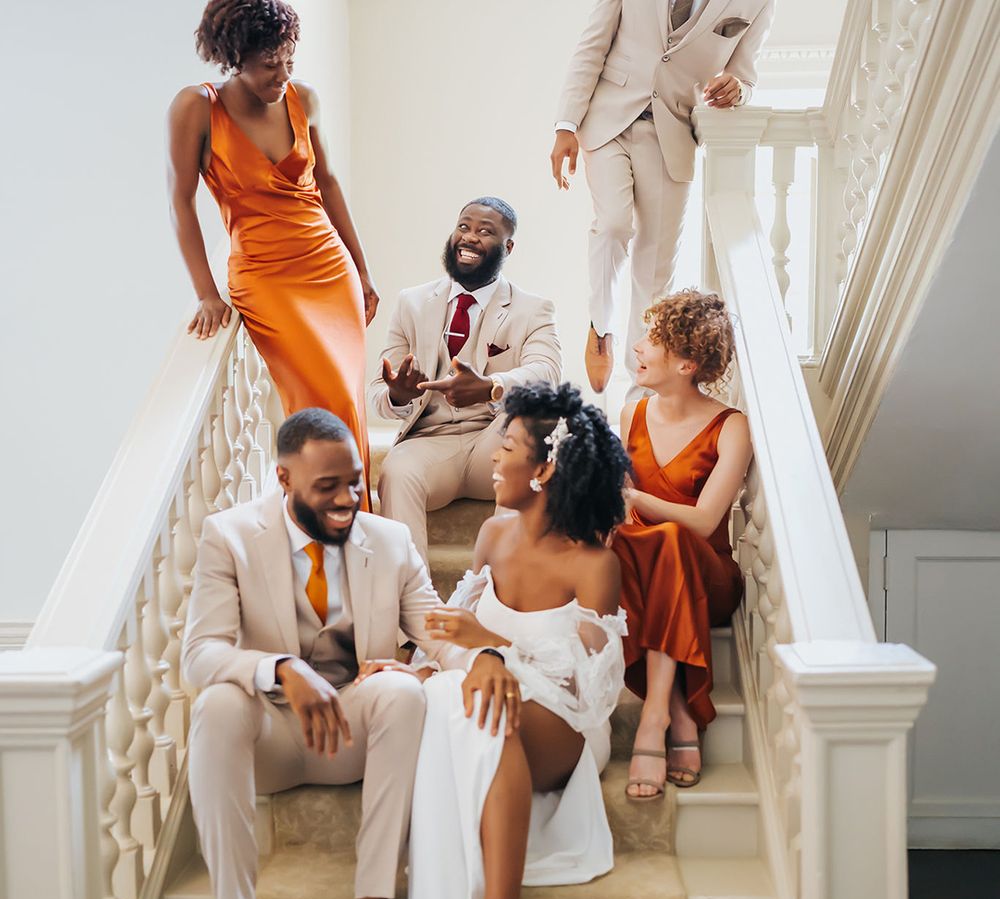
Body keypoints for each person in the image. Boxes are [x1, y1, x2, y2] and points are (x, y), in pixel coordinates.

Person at [182, 409, 455, 899]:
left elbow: (438, 629)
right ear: (283, 479)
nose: (347, 499)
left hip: (353, 731)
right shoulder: (228, 536)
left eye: (354, 481)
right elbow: (200, 654)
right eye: (326, 487)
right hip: (272, 736)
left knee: (405, 691)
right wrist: (280, 668)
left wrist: (431, 664)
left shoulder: (390, 541)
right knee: (217, 707)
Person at [371, 383, 629, 899]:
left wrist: (491, 645)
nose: (490, 455)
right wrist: (415, 669)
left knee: (470, 707)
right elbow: (451, 638)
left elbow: (593, 691)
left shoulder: (592, 564)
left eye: (505, 443)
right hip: (490, 710)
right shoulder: (491, 535)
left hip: (564, 727)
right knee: (447, 702)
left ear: (544, 469)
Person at [168, 0, 377, 506]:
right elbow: (180, 201)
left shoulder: (304, 98)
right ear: (234, 57)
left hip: (329, 267)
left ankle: (358, 521)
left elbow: (326, 183)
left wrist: (363, 270)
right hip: (265, 277)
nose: (282, 75)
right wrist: (206, 293)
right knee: (316, 398)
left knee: (346, 399)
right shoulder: (198, 107)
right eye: (269, 65)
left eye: (289, 60)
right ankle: (328, 522)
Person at [550, 0, 774, 396]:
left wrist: (738, 90)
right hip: (607, 119)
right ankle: (600, 327)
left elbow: (745, 75)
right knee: (614, 224)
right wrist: (566, 124)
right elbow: (592, 46)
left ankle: (642, 388)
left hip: (673, 133)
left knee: (655, 269)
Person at [611, 291, 752, 798]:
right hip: (645, 578)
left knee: (668, 537)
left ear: (687, 363)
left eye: (653, 340)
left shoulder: (731, 425)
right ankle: (677, 710)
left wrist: (633, 494)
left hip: (707, 577)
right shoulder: (631, 414)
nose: (637, 347)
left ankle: (653, 720)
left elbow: (704, 520)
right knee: (625, 545)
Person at [367, 198, 561, 563]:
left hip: (494, 443)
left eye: (485, 231)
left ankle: (499, 588)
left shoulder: (533, 308)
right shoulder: (412, 302)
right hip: (430, 443)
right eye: (464, 227)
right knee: (396, 471)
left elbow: (547, 374)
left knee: (534, 422)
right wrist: (398, 395)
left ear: (508, 246)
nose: (469, 238)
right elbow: (378, 391)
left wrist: (492, 386)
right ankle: (412, 604)